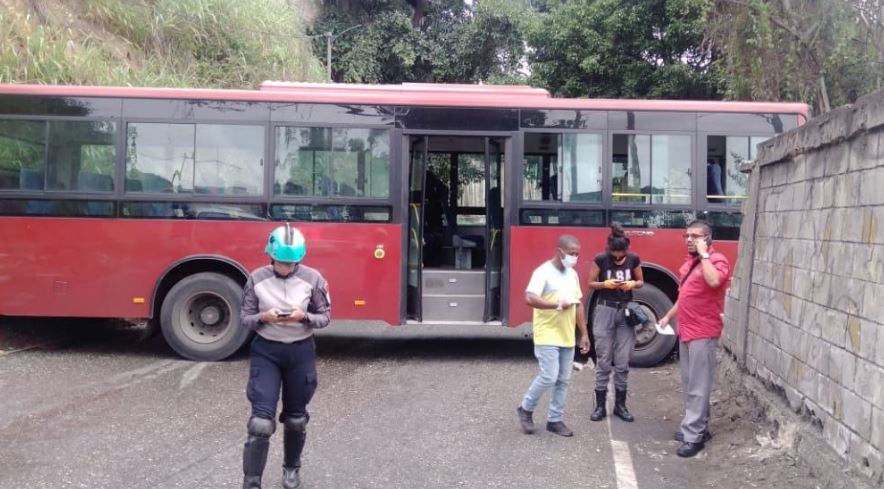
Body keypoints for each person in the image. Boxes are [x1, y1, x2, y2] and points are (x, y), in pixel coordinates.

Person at [239, 223, 331, 488]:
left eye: (291, 264)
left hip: (300, 352)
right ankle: (251, 482)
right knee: (260, 423)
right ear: (271, 256)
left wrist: (305, 317)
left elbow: (325, 317)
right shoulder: (256, 278)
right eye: (280, 262)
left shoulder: (313, 279)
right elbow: (245, 318)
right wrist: (262, 318)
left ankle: (291, 470)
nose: (285, 268)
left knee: (296, 419)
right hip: (266, 351)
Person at [658, 220, 730, 458]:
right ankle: (699, 427)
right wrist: (668, 316)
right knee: (690, 383)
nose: (689, 240)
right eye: (687, 236)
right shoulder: (691, 263)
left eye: (696, 236)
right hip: (686, 330)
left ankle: (693, 436)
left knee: (698, 386)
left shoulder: (716, 261)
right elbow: (685, 295)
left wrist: (705, 255)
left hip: (703, 332)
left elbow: (713, 282)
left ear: (708, 239)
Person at [517, 235, 590, 437]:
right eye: (571, 253)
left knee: (563, 380)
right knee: (549, 376)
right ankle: (525, 408)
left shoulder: (572, 274)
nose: (575, 257)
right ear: (560, 251)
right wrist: (555, 304)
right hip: (547, 332)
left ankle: (555, 420)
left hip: (567, 334)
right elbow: (529, 297)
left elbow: (578, 304)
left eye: (577, 254)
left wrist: (583, 333)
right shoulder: (543, 272)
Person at [587, 223, 643, 423]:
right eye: (615, 254)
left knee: (623, 360)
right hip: (605, 309)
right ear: (609, 249)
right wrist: (604, 284)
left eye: (621, 254)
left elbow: (640, 281)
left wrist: (632, 284)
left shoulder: (634, 258)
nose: (618, 258)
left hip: (626, 310)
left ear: (626, 249)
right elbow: (590, 282)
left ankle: (620, 405)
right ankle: (600, 405)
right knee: (604, 358)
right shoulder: (601, 259)